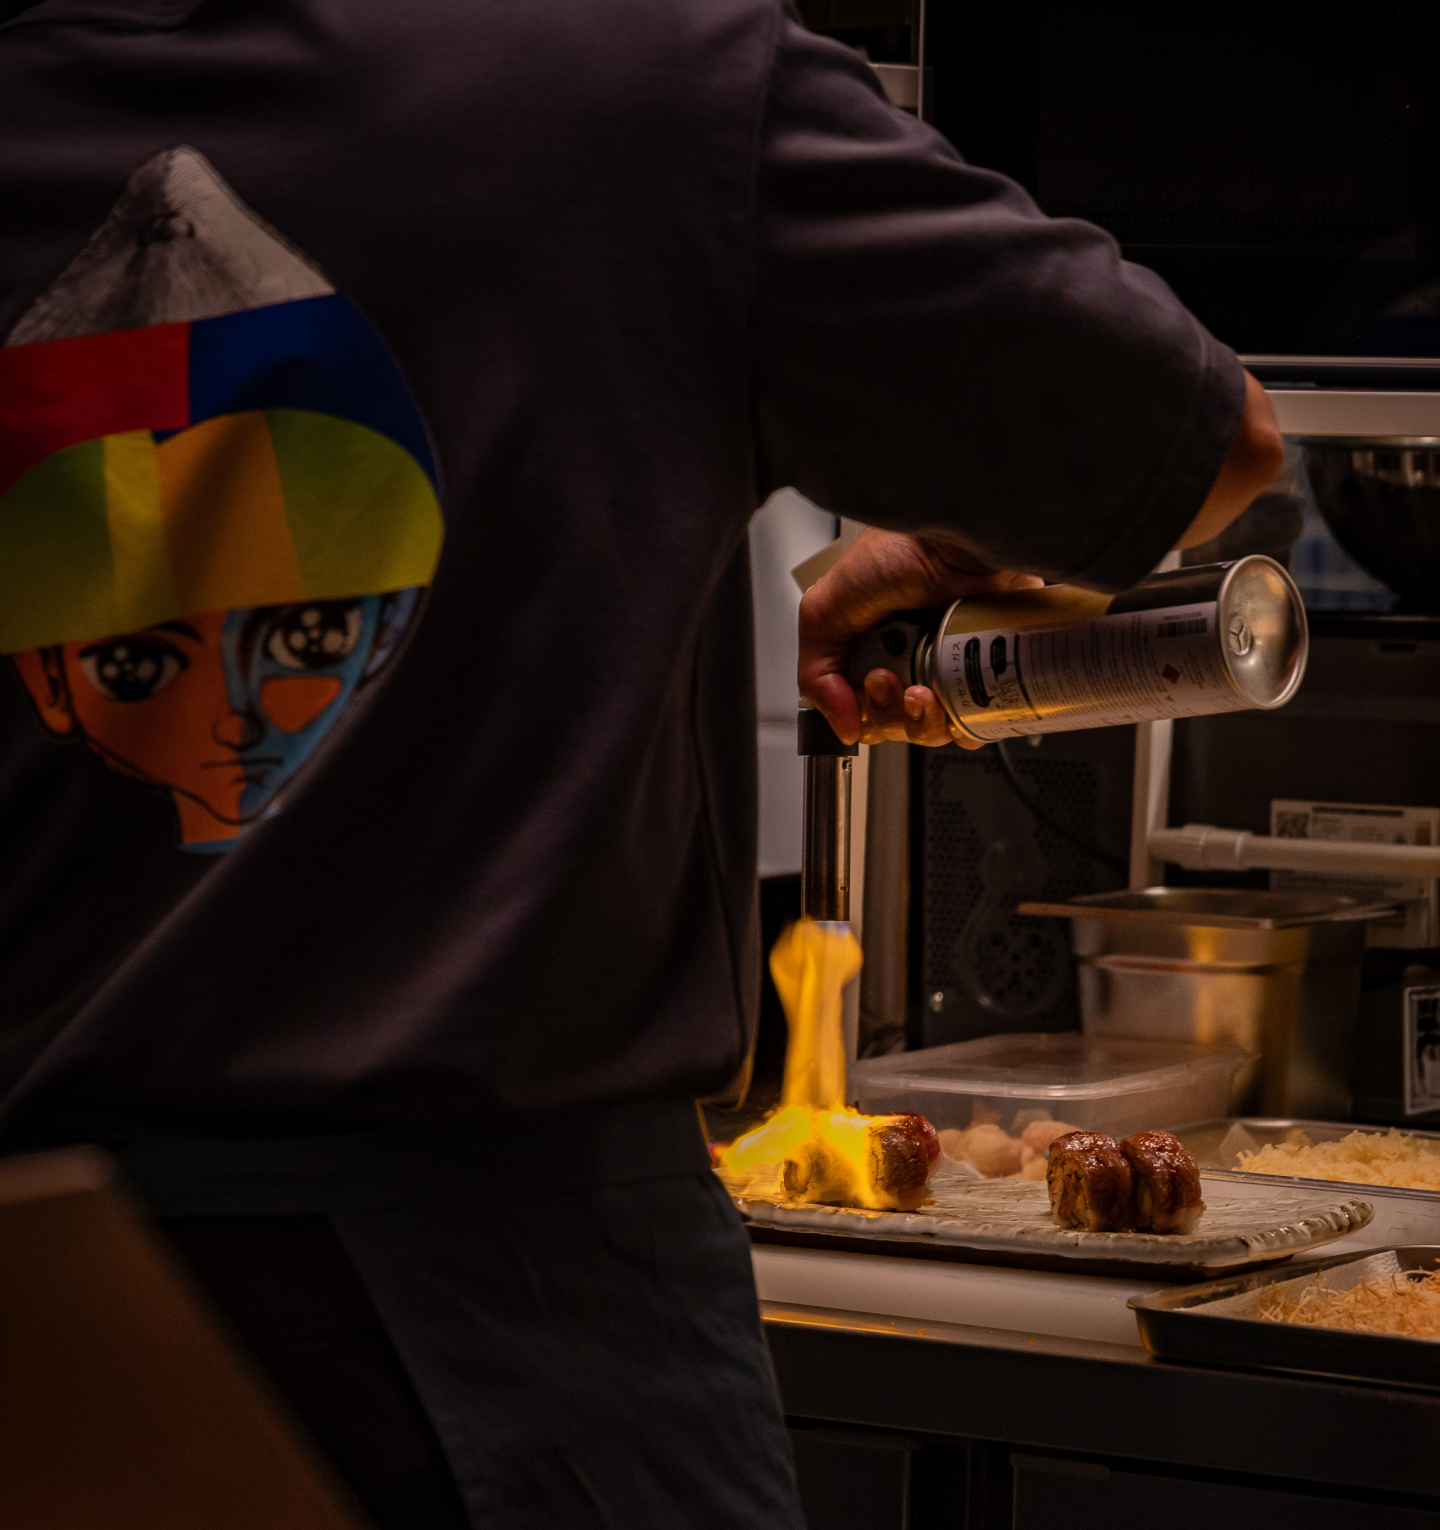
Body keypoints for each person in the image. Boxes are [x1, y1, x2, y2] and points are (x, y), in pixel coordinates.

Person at [0, 0, 1278, 1525]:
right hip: (510, 1342)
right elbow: (1208, 447)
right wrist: (951, 533)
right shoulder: (649, 88)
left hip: (46, 1324)